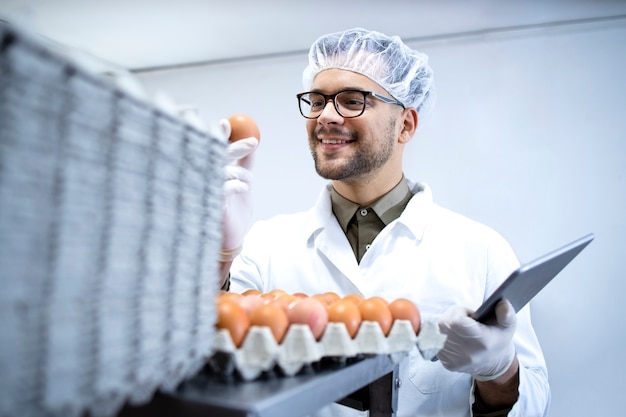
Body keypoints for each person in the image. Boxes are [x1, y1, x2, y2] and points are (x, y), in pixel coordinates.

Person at [218, 28, 550, 417]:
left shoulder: (481, 250)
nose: (326, 115)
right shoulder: (265, 244)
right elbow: (199, 355)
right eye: (318, 100)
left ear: (406, 125)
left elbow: (535, 405)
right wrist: (219, 256)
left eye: (352, 101)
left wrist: (499, 370)